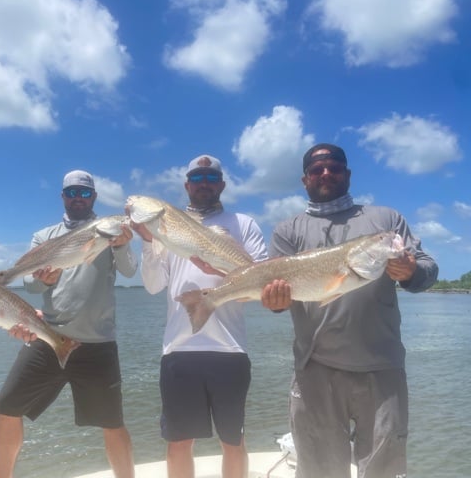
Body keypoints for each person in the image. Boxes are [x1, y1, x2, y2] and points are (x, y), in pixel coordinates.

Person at [261, 143, 439, 478]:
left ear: (348, 174)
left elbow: (428, 270)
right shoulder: (288, 230)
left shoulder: (385, 221)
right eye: (317, 169)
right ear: (304, 179)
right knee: (319, 471)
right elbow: (279, 296)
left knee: (383, 471)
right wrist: (274, 302)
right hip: (315, 369)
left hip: (382, 368)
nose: (326, 173)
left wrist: (412, 271)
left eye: (334, 167)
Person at [0, 170, 138, 478]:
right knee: (6, 408)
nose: (78, 198)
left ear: (94, 198)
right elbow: (32, 287)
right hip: (49, 338)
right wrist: (44, 280)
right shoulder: (44, 237)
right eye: (72, 193)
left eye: (85, 194)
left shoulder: (108, 235)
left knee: (113, 423)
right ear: (63, 196)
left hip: (97, 345)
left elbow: (128, 271)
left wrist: (122, 244)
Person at [129, 155, 268, 478]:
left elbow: (260, 282)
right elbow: (153, 285)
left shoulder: (243, 224)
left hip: (230, 349)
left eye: (210, 177)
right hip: (179, 349)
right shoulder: (165, 228)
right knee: (178, 443)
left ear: (221, 184)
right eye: (197, 177)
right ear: (187, 185)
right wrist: (149, 242)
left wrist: (218, 267)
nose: (203, 182)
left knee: (233, 441)